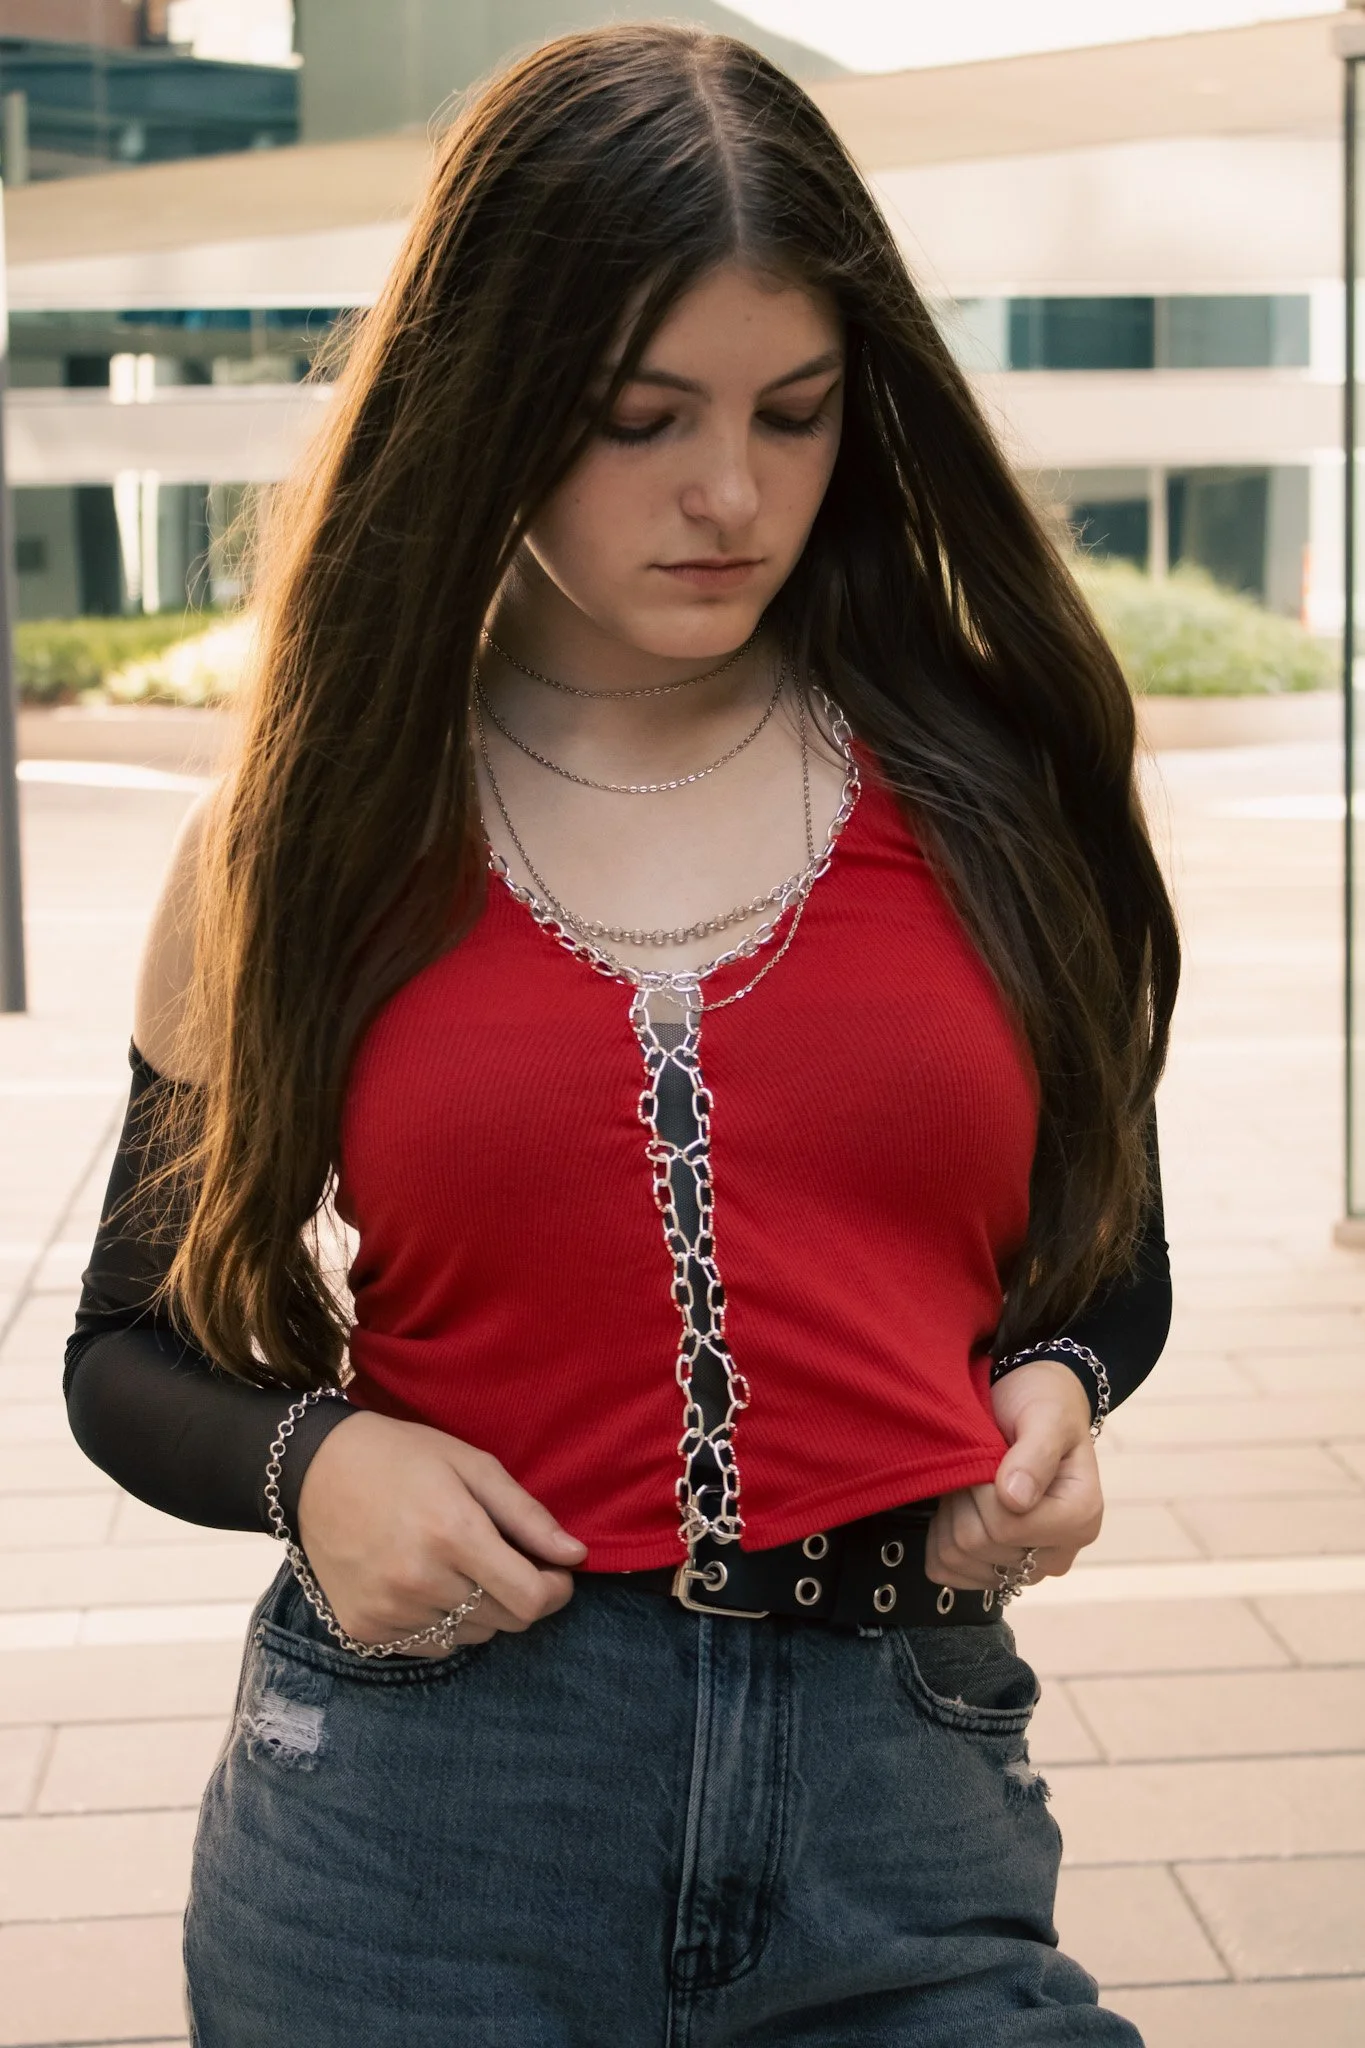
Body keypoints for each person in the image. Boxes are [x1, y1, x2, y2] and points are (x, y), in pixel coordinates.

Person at [64, 24, 1178, 2047]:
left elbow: (1111, 1269)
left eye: (795, 410)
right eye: (636, 416)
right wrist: (313, 1461)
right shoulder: (311, 829)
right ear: (486, 404)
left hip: (901, 1817)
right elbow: (124, 1351)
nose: (730, 491)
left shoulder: (996, 789)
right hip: (417, 1837)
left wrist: (1057, 1388)